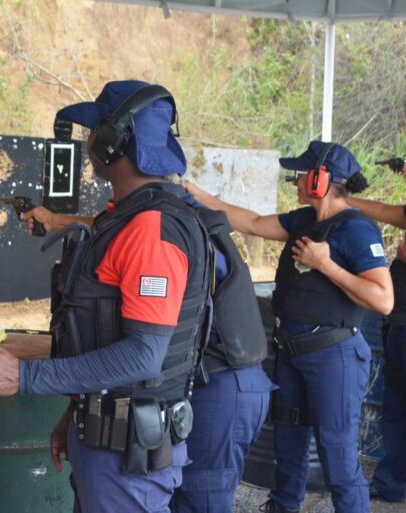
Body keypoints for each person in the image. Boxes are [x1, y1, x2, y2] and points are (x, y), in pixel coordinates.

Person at [0, 80, 213, 513]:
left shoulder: (151, 231)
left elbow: (144, 357)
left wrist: (22, 377)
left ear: (112, 141)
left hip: (126, 458)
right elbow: (107, 341)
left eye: (95, 130)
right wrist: (76, 414)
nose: (89, 141)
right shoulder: (128, 220)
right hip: (108, 442)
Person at [21, 172, 275, 513]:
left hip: (224, 378)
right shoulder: (162, 217)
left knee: (202, 499)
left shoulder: (167, 226)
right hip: (206, 376)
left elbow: (142, 354)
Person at [184, 141, 394, 513]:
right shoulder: (304, 220)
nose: (295, 180)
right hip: (292, 352)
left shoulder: (357, 229)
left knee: (338, 456)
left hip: (334, 356)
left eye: (301, 173)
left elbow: (383, 299)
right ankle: (283, 506)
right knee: (289, 447)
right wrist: (196, 194)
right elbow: (250, 222)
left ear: (320, 179)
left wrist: (326, 265)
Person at [345, 149, 406, 513]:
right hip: (400, 324)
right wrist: (341, 198)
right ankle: (391, 483)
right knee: (397, 409)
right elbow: (380, 210)